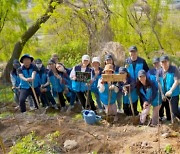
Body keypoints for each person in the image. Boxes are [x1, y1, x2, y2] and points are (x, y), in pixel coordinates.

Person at [159, 55, 180, 121]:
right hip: (165, 94)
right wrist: (162, 94)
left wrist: (171, 90)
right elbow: (159, 83)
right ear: (160, 63)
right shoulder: (159, 71)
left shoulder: (174, 69)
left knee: (175, 111)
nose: (164, 64)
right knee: (170, 111)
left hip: (174, 93)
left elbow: (177, 81)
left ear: (169, 62)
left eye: (166, 62)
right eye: (162, 62)